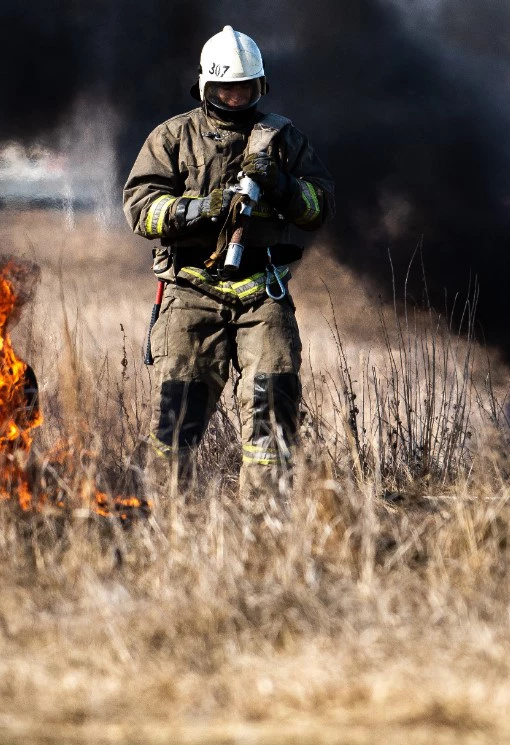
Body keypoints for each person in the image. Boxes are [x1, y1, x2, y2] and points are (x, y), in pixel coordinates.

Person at [123, 25, 335, 504]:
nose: (235, 98)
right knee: (178, 414)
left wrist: (281, 184)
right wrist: (202, 208)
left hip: (263, 291)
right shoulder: (173, 137)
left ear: (261, 86)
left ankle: (266, 515)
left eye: (245, 88)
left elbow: (319, 207)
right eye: (225, 89)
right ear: (205, 87)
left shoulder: (282, 139)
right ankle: (167, 512)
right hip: (191, 289)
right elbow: (140, 210)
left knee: (273, 403)